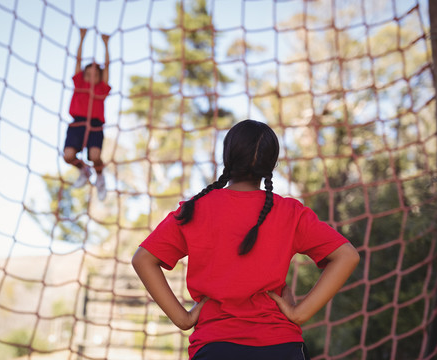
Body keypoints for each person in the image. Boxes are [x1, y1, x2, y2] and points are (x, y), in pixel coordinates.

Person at [132, 120, 360, 360]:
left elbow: (143, 259)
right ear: (270, 164)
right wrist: (300, 314)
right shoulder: (290, 212)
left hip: (215, 347)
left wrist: (183, 318)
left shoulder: (195, 210)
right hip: (280, 346)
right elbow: (347, 255)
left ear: (227, 157)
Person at [63, 28, 110, 201]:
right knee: (68, 155)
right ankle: (84, 170)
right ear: (84, 74)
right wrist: (82, 38)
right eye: (88, 73)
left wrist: (106, 44)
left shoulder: (101, 89)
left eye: (95, 74)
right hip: (77, 123)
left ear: (99, 77)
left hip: (95, 124)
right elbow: (77, 61)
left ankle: (100, 176)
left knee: (95, 156)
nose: (91, 77)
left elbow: (107, 68)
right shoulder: (79, 84)